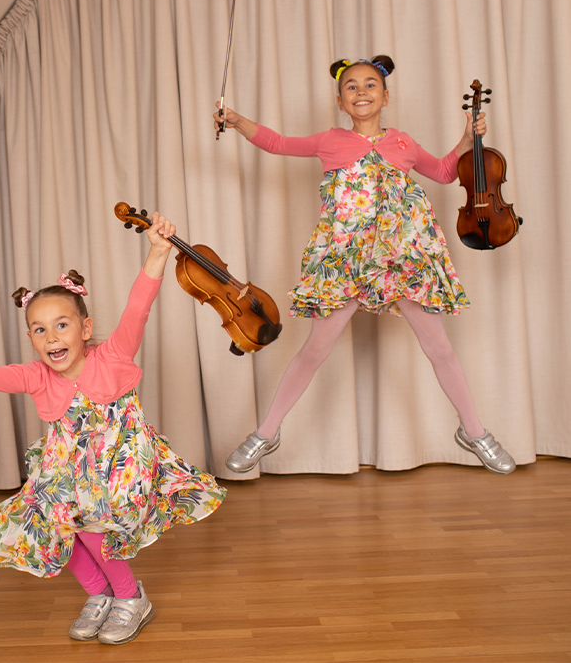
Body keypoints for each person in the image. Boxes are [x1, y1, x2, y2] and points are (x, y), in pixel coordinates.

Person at [0, 212, 226, 646]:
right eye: (39, 329)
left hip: (120, 467)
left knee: (88, 520)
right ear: (31, 339)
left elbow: (138, 305)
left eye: (62, 325)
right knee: (51, 517)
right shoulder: (35, 376)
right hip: (68, 469)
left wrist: (159, 252)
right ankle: (99, 594)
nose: (52, 337)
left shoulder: (113, 356)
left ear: (85, 329)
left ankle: (130, 597)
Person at [214, 55, 515, 477]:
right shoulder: (329, 140)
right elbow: (278, 143)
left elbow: (446, 173)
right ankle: (266, 433)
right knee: (315, 349)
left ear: (386, 96)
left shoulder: (404, 143)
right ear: (341, 101)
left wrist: (467, 138)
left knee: (440, 347)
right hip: (346, 258)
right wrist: (236, 120)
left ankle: (475, 432)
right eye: (351, 86)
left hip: (403, 255)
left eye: (370, 85)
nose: (361, 91)